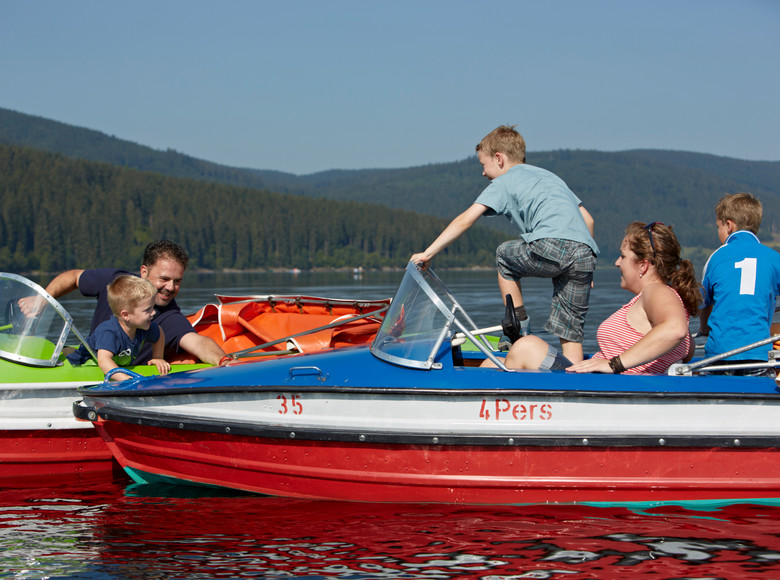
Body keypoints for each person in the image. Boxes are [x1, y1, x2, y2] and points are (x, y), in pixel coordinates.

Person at [410, 125, 598, 363]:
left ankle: (518, 330)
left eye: (483, 165)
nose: (483, 173)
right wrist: (587, 267)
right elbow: (588, 219)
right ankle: (576, 380)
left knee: (504, 256)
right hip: (584, 253)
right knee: (570, 330)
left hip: (552, 244)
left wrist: (428, 253)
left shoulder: (504, 181)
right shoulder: (551, 177)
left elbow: (465, 220)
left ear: (499, 158)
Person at [485, 222, 700, 374]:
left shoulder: (658, 291)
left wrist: (614, 364)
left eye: (623, 257)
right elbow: (685, 349)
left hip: (605, 388)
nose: (617, 263)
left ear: (643, 266)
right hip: (601, 382)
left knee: (526, 346)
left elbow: (674, 330)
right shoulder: (670, 300)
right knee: (489, 364)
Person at [22, 240, 226, 366]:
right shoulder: (116, 282)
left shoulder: (170, 317)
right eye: (164, 279)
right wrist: (42, 299)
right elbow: (75, 277)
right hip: (87, 360)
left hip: (117, 380)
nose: (171, 287)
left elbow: (199, 343)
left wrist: (224, 362)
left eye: (177, 281)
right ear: (144, 272)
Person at [698, 193, 780, 375]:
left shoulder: (715, 258)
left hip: (719, 353)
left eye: (718, 226)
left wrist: (703, 329)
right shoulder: (774, 258)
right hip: (758, 353)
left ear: (729, 226)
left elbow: (704, 304)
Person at [67, 275, 171, 380]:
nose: (153, 312)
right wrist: (124, 378)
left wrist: (157, 357)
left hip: (114, 367)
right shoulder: (109, 332)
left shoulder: (143, 326)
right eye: (147, 310)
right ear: (126, 315)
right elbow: (104, 361)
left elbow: (159, 332)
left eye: (153, 307)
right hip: (80, 366)